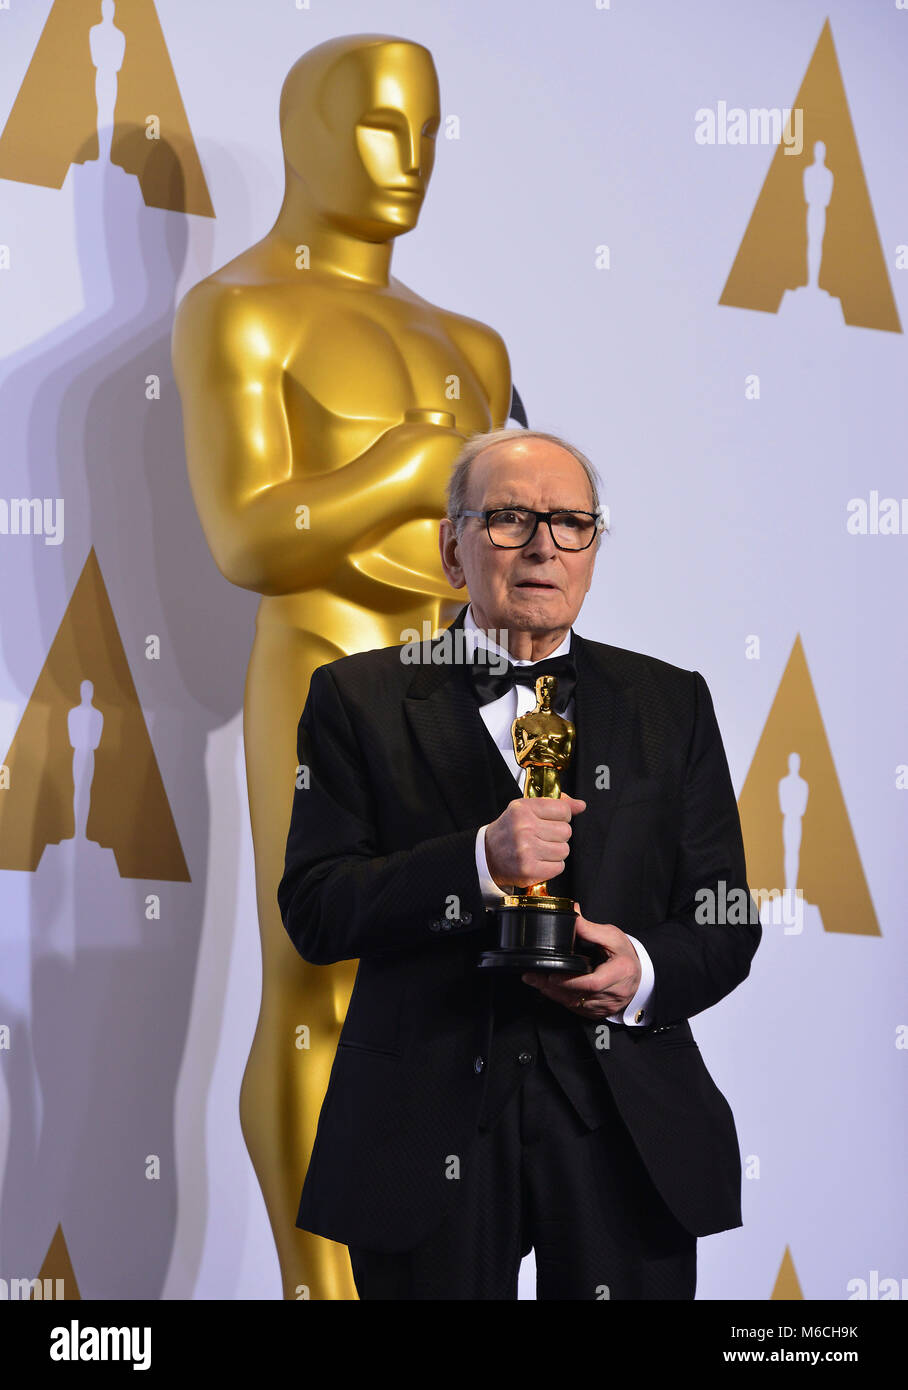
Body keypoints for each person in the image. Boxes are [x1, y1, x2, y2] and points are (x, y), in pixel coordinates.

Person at [277, 427, 761, 1300]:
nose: (543, 545)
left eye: (571, 522)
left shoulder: (671, 702)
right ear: (452, 549)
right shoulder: (359, 697)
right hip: (424, 1129)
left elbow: (725, 920)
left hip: (623, 1121)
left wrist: (641, 973)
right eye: (508, 518)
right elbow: (316, 909)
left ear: (592, 548)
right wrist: (473, 862)